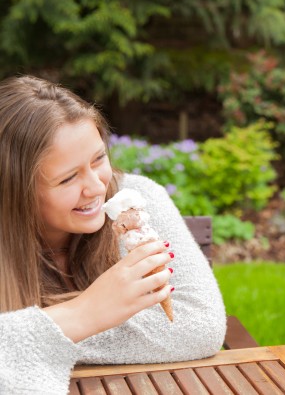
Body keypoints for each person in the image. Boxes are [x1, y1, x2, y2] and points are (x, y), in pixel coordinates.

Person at [0, 75, 227, 393]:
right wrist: (86, 312)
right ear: (14, 190)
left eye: (99, 159)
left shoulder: (139, 195)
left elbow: (200, 326)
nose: (96, 187)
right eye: (68, 179)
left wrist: (35, 334)